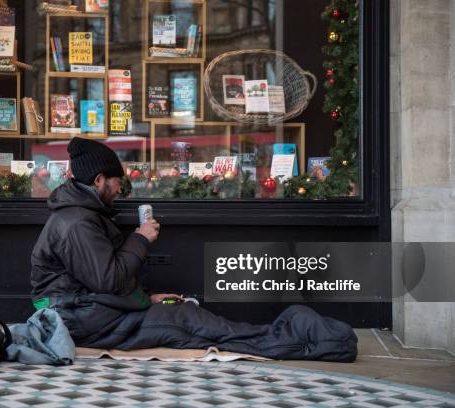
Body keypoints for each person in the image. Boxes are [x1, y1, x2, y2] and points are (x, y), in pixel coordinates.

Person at [30, 137, 358, 362]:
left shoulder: (83, 216)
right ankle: (309, 339)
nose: (120, 188)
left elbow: (100, 280)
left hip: (91, 312)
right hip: (81, 320)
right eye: (117, 181)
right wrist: (141, 238)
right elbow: (108, 278)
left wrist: (147, 299)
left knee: (186, 315)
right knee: (187, 322)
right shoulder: (76, 223)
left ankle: (298, 331)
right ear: (100, 180)